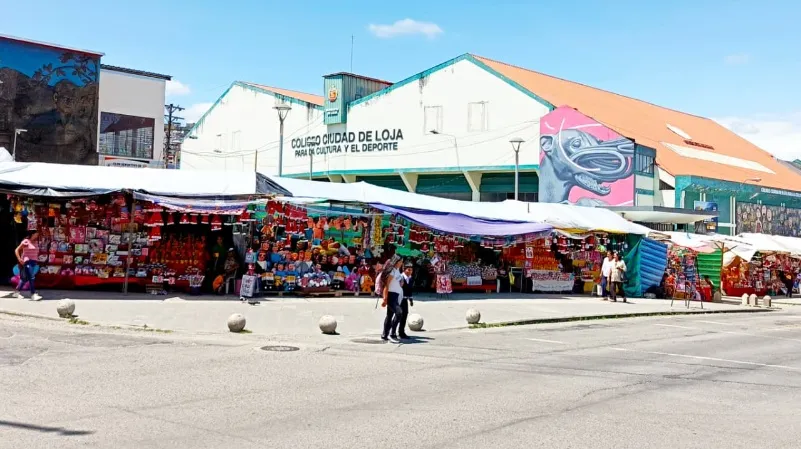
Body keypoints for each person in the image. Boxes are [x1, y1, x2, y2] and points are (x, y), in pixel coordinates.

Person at [380, 255, 404, 342]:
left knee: (390, 315)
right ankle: (391, 332)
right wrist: (385, 298)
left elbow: (396, 282)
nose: (401, 263)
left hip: (396, 296)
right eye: (400, 261)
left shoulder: (397, 271)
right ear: (396, 262)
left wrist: (401, 283)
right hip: (391, 295)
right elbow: (387, 285)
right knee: (399, 313)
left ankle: (385, 334)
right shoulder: (392, 271)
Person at [14, 230, 41, 301]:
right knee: (31, 277)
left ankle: (16, 292)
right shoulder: (26, 241)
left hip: (33, 262)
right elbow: (16, 250)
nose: (37, 236)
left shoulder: (36, 242)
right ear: (32, 234)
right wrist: (19, 259)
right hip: (27, 261)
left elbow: (36, 252)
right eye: (36, 234)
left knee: (24, 279)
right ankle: (33, 294)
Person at [398, 262, 415, 339]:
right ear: (404, 270)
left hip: (405, 300)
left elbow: (410, 290)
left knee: (405, 315)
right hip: (399, 299)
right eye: (408, 270)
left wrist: (411, 300)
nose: (410, 271)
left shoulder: (410, 278)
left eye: (411, 270)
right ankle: (392, 332)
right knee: (398, 315)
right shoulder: (400, 277)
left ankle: (401, 332)